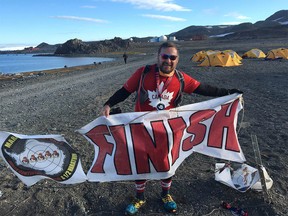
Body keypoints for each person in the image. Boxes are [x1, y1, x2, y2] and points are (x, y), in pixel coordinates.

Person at [102, 42, 242, 215]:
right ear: (158, 57)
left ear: (177, 60)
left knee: (167, 162)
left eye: (172, 57)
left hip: (168, 131)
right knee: (140, 163)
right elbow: (125, 90)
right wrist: (109, 103)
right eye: (165, 56)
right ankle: (139, 197)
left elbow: (204, 89)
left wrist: (228, 93)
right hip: (141, 129)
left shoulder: (181, 79)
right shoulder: (143, 73)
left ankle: (165, 195)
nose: (168, 60)